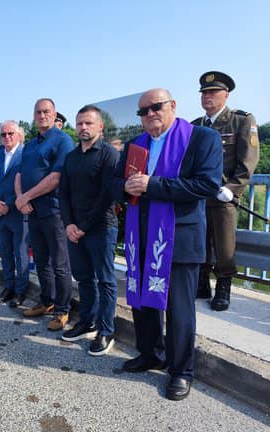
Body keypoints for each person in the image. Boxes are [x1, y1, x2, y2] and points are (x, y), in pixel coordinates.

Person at [111, 88, 222, 401]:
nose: (149, 114)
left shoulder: (202, 138)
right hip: (141, 235)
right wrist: (126, 186)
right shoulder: (136, 144)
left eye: (155, 107)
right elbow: (114, 184)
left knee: (179, 309)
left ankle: (181, 371)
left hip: (180, 237)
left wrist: (152, 184)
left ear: (172, 105)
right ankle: (151, 354)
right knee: (143, 302)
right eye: (142, 111)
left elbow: (207, 184)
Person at [191, 71, 260, 311]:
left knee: (224, 244)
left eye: (213, 92)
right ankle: (202, 283)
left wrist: (232, 188)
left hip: (223, 196)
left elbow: (248, 161)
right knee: (200, 241)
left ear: (226, 94)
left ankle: (223, 287)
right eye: (204, 93)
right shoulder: (195, 126)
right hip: (199, 194)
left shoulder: (241, 121)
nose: (207, 97)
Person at [59, 105, 120, 356]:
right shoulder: (71, 157)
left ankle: (106, 331)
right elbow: (63, 193)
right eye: (80, 123)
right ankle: (87, 322)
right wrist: (69, 224)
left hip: (101, 228)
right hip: (75, 230)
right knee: (84, 279)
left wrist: (83, 226)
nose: (83, 127)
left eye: (89, 123)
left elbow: (107, 196)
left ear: (100, 126)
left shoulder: (109, 155)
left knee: (105, 281)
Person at [15, 98, 74, 331]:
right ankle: (46, 301)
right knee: (41, 261)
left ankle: (62, 309)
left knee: (60, 263)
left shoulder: (63, 140)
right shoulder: (30, 144)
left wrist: (26, 197)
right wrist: (20, 199)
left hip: (53, 211)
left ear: (54, 113)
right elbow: (20, 174)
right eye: (38, 112)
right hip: (33, 211)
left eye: (46, 111)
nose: (42, 115)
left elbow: (55, 178)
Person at [0, 121, 29, 308]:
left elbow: (26, 183)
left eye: (10, 133)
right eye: (3, 134)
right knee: (5, 253)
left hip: (17, 213)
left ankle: (21, 291)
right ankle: (8, 287)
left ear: (19, 135)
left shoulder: (26, 154)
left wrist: (8, 204)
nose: (7, 137)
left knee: (21, 254)